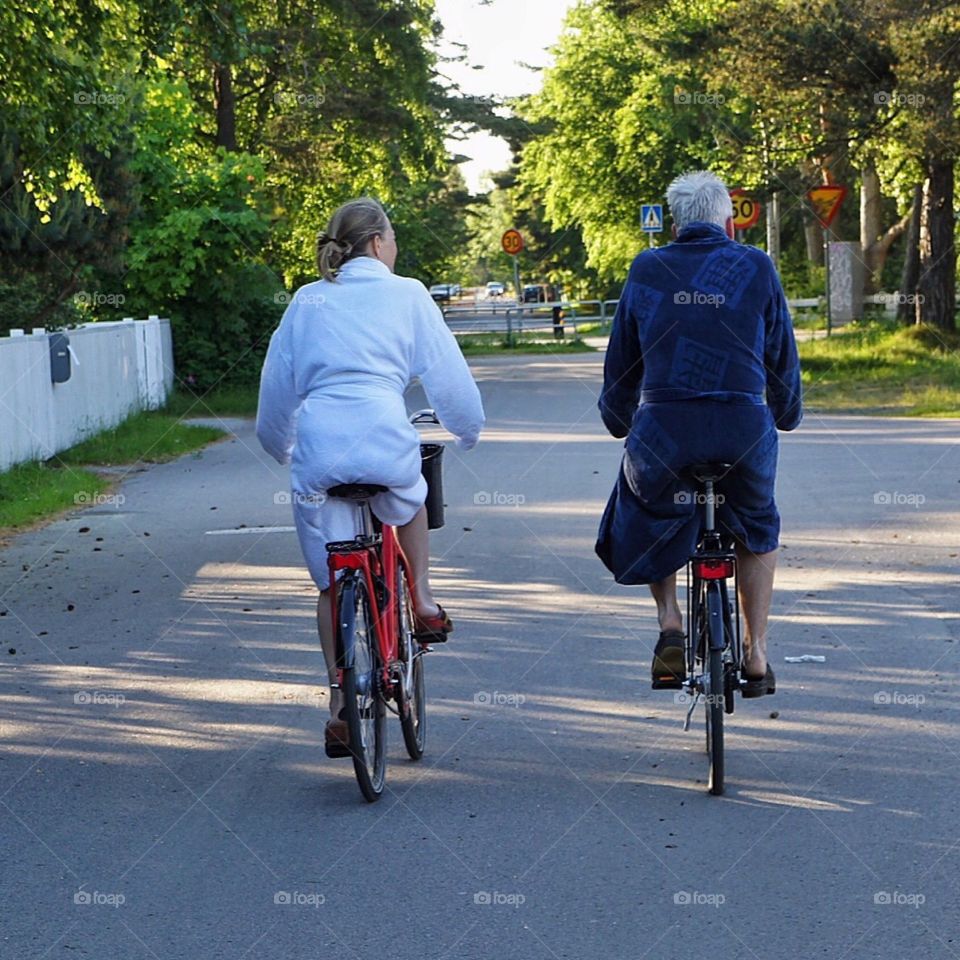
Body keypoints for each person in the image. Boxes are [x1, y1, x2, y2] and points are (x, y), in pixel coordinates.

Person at [256, 197, 485, 753]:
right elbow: (448, 380)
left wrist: (280, 446)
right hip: (384, 441)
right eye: (395, 237)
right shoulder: (407, 293)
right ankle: (424, 603)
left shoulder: (306, 301)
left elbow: (276, 391)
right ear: (379, 243)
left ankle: (339, 701)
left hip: (320, 455)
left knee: (333, 582)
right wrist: (467, 429)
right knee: (409, 499)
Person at [595, 170, 802, 698]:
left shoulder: (648, 267)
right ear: (727, 221)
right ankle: (756, 655)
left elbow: (623, 361)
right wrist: (787, 411)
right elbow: (780, 352)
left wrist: (619, 418)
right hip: (743, 431)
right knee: (756, 526)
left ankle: (670, 623)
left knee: (641, 510)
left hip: (666, 432)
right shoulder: (756, 265)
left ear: (673, 223)